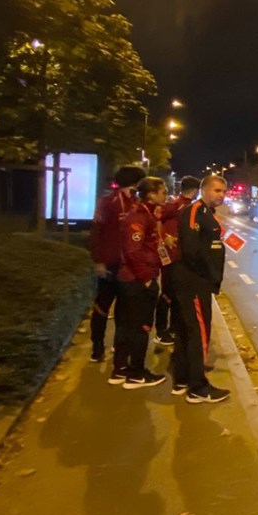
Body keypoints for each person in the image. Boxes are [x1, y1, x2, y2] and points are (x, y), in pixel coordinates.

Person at [171, 175, 231, 403]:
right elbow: (192, 250)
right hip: (194, 281)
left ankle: (185, 378)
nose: (221, 195)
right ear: (203, 190)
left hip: (199, 280)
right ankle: (198, 387)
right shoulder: (195, 211)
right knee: (199, 332)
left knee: (189, 330)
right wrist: (209, 275)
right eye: (216, 190)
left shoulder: (207, 213)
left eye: (224, 191)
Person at [110, 177, 170, 389]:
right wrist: (146, 279)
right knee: (140, 327)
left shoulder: (145, 214)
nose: (166, 195)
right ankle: (136, 373)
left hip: (130, 279)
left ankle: (120, 369)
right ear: (151, 194)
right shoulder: (140, 217)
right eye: (163, 191)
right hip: (136, 281)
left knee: (125, 326)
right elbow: (132, 251)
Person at [87, 165, 147, 363]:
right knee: (102, 305)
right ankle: (97, 345)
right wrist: (99, 261)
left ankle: (118, 345)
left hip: (127, 264)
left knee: (124, 307)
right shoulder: (108, 202)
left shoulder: (135, 202)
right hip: (110, 262)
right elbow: (96, 232)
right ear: (135, 183)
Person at [153, 176, 201, 347]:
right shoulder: (177, 205)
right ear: (196, 190)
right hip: (171, 257)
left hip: (180, 257)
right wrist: (165, 236)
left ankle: (173, 328)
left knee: (176, 295)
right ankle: (160, 331)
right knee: (168, 293)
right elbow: (155, 218)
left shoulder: (189, 206)